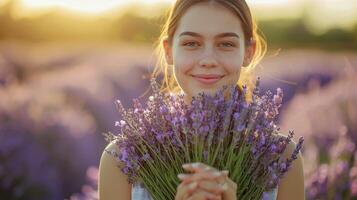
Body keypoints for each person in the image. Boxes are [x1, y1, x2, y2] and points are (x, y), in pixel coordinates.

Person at [99, 0, 305, 199]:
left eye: (226, 44)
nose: (208, 60)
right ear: (169, 51)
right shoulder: (123, 158)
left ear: (248, 53)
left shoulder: (281, 157)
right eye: (191, 43)